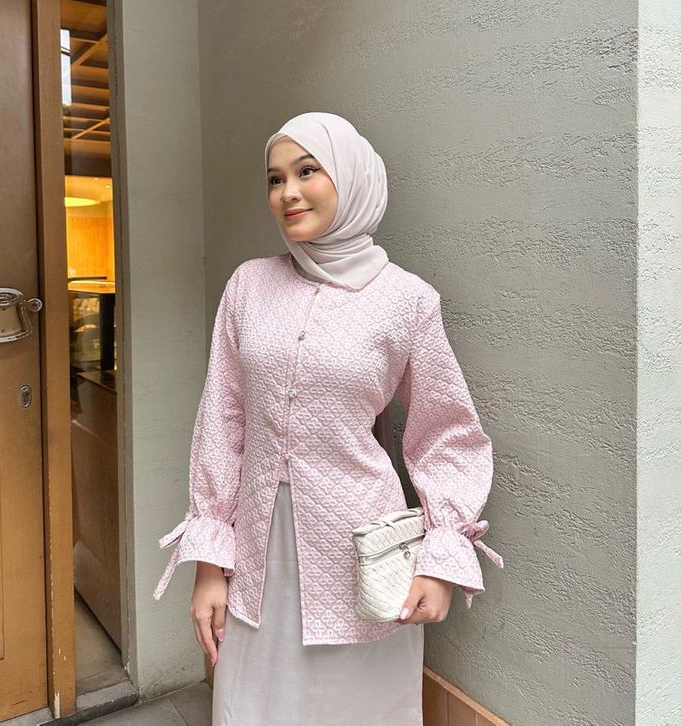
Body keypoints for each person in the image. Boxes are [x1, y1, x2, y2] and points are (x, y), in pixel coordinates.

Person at [153, 112, 504, 725]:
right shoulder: (247, 286)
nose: (287, 192)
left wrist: (442, 559)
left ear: (352, 178)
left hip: (362, 554)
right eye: (275, 178)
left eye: (307, 171)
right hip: (258, 552)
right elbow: (222, 422)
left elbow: (446, 433)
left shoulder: (407, 300)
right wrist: (210, 566)